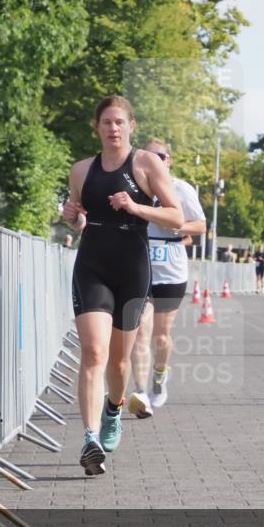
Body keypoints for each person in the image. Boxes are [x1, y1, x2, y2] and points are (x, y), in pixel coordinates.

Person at [62, 96, 183, 475]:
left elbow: (176, 216)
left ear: (131, 126)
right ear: (96, 127)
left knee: (118, 361)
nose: (113, 128)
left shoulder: (146, 164)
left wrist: (135, 207)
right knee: (93, 352)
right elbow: (79, 220)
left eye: (119, 122)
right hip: (92, 266)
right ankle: (90, 438)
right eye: (106, 122)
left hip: (132, 269)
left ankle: (113, 410)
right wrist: (71, 217)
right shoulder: (81, 170)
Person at [128, 139, 207, 419]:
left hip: (171, 269)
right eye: (148, 155)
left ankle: (159, 376)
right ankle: (140, 393)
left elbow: (201, 225)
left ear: (168, 160)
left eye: (160, 156)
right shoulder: (134, 188)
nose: (155, 160)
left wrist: (176, 224)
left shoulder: (181, 189)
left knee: (161, 336)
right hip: (140, 267)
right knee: (140, 332)